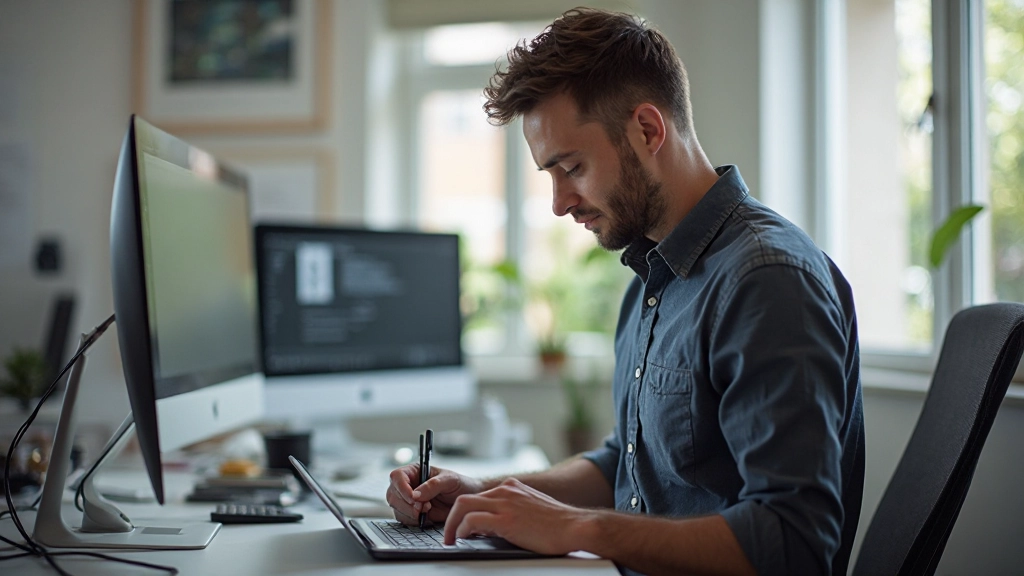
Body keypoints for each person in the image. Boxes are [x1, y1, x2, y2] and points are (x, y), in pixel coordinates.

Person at [386, 8, 864, 576]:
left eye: (572, 166)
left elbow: (793, 543)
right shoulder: (652, 279)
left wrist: (580, 528)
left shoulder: (765, 280)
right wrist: (482, 493)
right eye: (550, 174)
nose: (560, 202)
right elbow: (628, 463)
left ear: (647, 129)